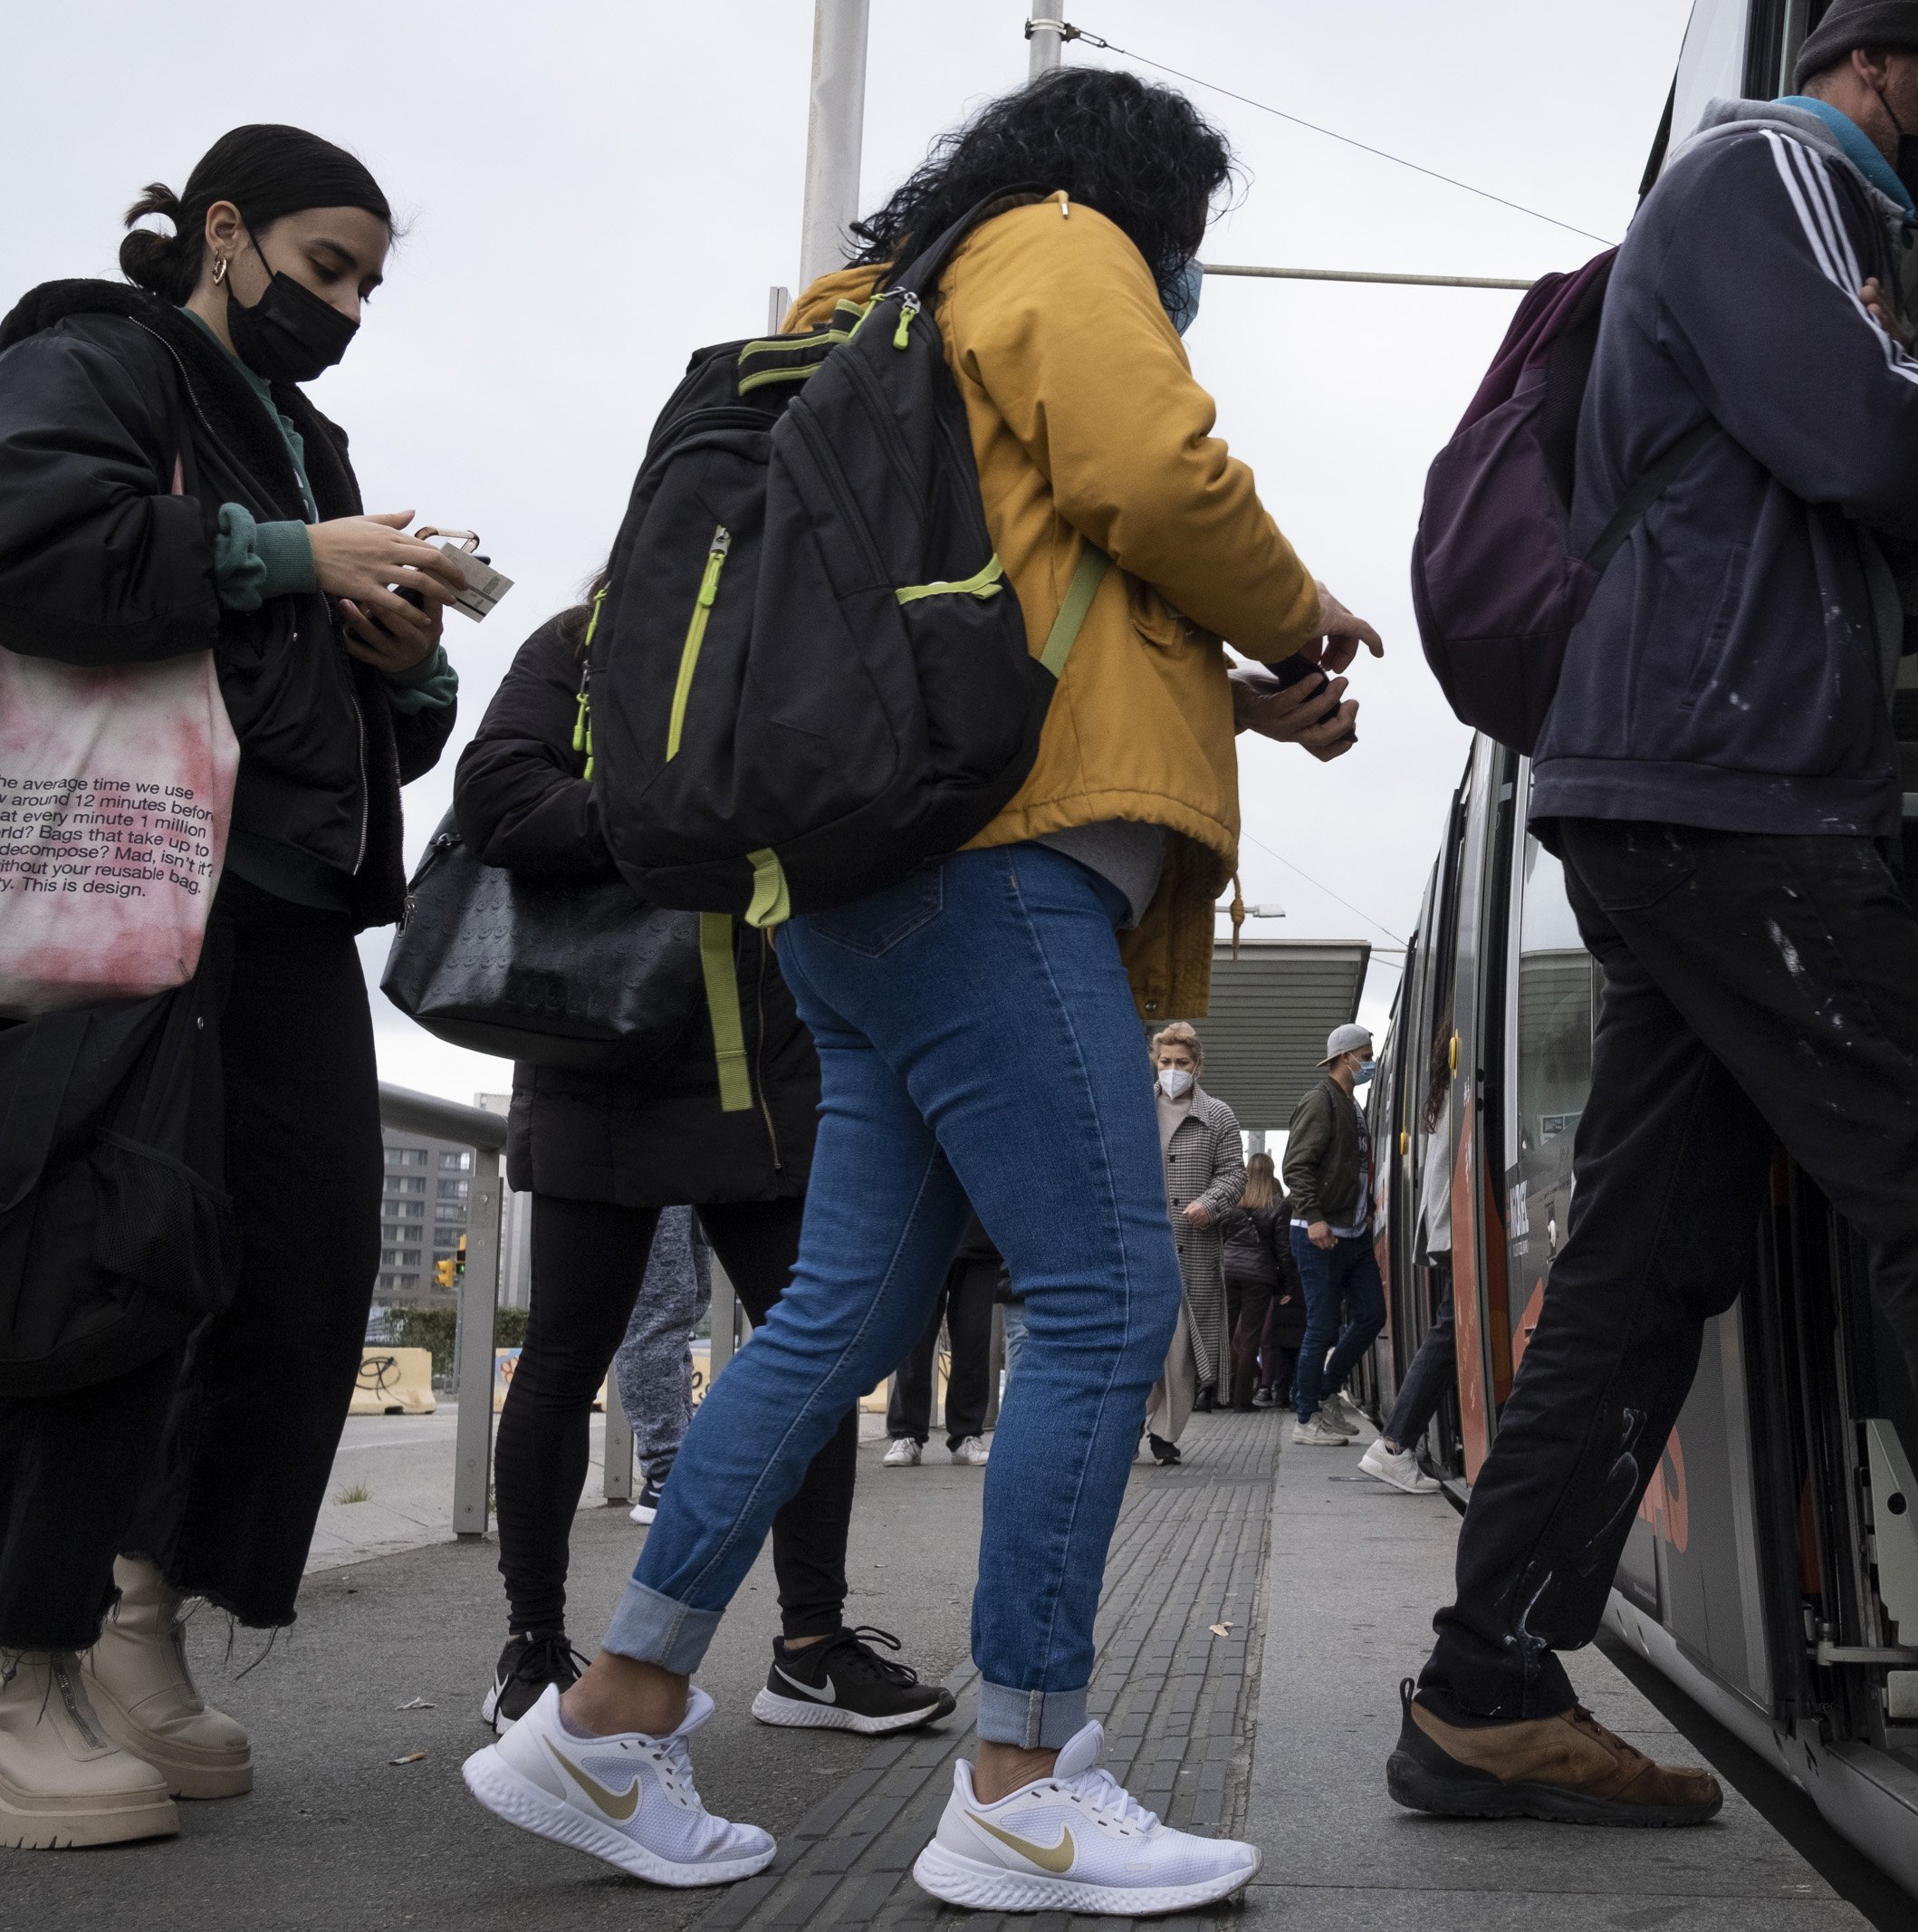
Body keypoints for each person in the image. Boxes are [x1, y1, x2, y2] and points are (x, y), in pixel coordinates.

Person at [460, 68, 1378, 1909]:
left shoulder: (877, 322)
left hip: (863, 888)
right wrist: (1295, 613)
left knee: (831, 1319)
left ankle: (611, 1712)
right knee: (1110, 1296)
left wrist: (1226, 693)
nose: (1183, 276)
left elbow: (1046, 594)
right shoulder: (1055, 248)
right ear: (1144, 202)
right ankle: (1028, 1771)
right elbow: (1153, 474)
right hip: (993, 874)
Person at [1387, 0, 1918, 1831]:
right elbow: (1873, 439)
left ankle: (1486, 1686)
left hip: (1686, 787)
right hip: (1725, 789)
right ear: (1878, 62)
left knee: (1649, 1250)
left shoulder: (1775, 201)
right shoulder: (1770, 171)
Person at [0, 125, 465, 1848]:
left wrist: (401, 662)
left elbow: (324, 692)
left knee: (294, 1259)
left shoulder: (302, 432)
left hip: (270, 905)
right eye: (325, 266)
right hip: (117, 894)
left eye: (366, 285)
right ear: (224, 231)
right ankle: (16, 1659)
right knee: (98, 1248)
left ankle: (127, 1622)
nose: (342, 308)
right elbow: (33, 537)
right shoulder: (91, 356)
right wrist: (291, 558)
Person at [458, 600, 950, 1741]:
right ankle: (534, 1644)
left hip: (768, 1060)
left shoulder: (808, 639)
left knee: (812, 1346)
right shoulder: (579, 643)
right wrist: (692, 816)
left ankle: (811, 1649)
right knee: (563, 1356)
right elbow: (495, 801)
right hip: (595, 1040)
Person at [1360, 1014, 1459, 1495]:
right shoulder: (1464, 1072)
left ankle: (1395, 1443)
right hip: (1458, 1223)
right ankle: (1395, 1445)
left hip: (1449, 1223)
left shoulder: (1445, 1080)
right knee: (1449, 1334)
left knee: (1448, 1331)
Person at [1145, 1023, 1244, 1464]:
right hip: (1144, 1247)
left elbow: (1235, 1174)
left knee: (1184, 1350)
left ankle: (1165, 1432)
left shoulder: (1218, 1114)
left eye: (1181, 1063)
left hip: (1195, 1249)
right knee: (1145, 1346)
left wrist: (1211, 1202)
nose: (1172, 1070)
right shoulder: (1134, 1108)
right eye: (1165, 1062)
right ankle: (1132, 1427)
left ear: (1197, 1065)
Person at [1284, 1024, 1386, 1447]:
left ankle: (1325, 1390)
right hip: (1319, 1232)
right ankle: (1306, 1418)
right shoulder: (1320, 1100)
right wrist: (1315, 1217)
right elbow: (1296, 1165)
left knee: (1371, 1315)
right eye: (1365, 1055)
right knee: (1321, 1326)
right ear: (1345, 1057)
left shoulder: (1353, 1105)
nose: (1369, 1063)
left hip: (1353, 1233)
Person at [885, 1207, 1004, 1468]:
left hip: (981, 1232)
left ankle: (967, 1434)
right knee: (914, 1339)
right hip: (922, 1230)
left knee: (974, 1337)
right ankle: (907, 1434)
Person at [615, 1207, 711, 1523]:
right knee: (656, 1316)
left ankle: (677, 1465)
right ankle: (666, 1476)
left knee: (680, 1311)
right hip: (650, 1170)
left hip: (687, 1170)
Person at [1220, 1153, 1301, 1407]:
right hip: (1259, 1277)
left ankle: (1213, 1393)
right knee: (1250, 1338)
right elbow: (1283, 1250)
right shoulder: (1277, 1205)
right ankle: (1242, 1400)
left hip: (1228, 1272)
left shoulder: (1232, 1203)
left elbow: (1221, 1238)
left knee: (1225, 1335)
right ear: (1271, 1173)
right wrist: (1288, 1285)